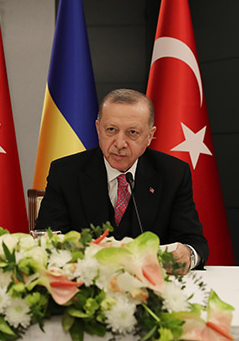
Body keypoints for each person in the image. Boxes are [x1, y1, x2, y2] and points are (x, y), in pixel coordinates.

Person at [34, 89, 209, 272]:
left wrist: (187, 255)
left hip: (149, 284)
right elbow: (47, 239)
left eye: (132, 132)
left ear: (149, 136)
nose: (119, 143)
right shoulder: (66, 172)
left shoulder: (173, 173)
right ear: (98, 129)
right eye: (111, 130)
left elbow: (195, 242)